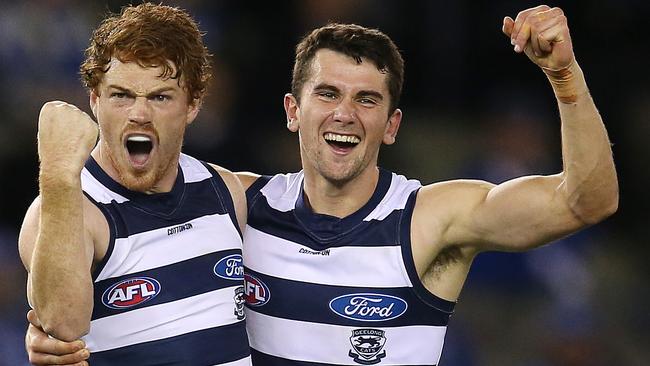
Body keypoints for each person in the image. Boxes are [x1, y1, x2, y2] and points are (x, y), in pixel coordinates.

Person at [24, 4, 618, 366]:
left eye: (367, 100)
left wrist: (564, 76)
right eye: (327, 95)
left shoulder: (431, 218)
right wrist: (59, 334)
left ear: (393, 125)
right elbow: (130, 208)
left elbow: (586, 200)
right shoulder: (241, 205)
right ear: (292, 110)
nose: (344, 114)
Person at [18, 3, 251, 366]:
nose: (139, 114)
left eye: (160, 97)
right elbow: (61, 321)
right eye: (121, 95)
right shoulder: (67, 209)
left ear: (192, 105)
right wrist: (58, 175)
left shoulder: (227, 191)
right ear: (95, 100)